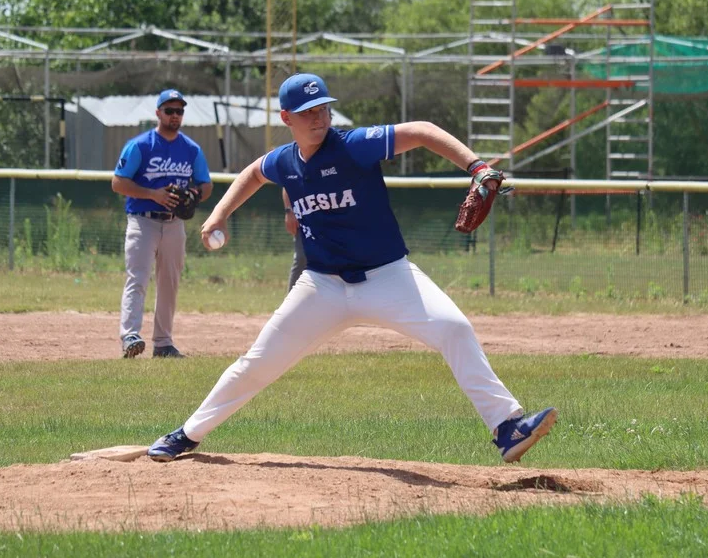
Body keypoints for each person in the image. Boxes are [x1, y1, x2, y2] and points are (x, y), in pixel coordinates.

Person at [147, 73, 555, 463]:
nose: (318, 117)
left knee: (454, 328)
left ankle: (507, 427)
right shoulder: (285, 161)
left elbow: (423, 130)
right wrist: (218, 215)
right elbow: (254, 173)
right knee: (258, 362)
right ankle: (188, 434)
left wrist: (477, 167)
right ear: (286, 118)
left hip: (388, 276)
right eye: (307, 111)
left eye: (323, 108)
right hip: (321, 287)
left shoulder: (355, 145)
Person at [111, 89, 213, 359]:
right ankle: (129, 335)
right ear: (158, 113)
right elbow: (118, 182)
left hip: (174, 224)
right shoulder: (141, 145)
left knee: (170, 282)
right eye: (169, 110)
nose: (175, 115)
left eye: (179, 111)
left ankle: (164, 343)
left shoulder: (191, 149)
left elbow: (206, 184)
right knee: (138, 278)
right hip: (143, 221)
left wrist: (195, 194)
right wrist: (152, 194)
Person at [282, 187, 307, 292]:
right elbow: (287, 182)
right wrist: (289, 211)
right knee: (301, 257)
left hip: (335, 216)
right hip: (305, 214)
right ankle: (291, 301)